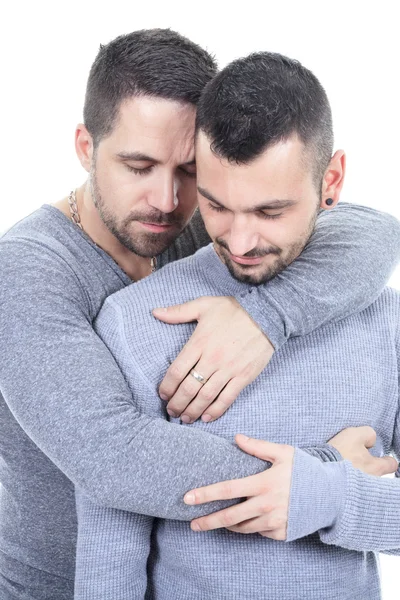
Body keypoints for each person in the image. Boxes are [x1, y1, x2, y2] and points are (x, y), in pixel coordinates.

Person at [0, 30, 398, 600]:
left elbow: (374, 230)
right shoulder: (25, 272)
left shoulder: (205, 227)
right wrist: (324, 478)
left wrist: (268, 316)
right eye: (137, 166)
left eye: (189, 171)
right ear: (86, 147)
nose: (166, 199)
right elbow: (115, 458)